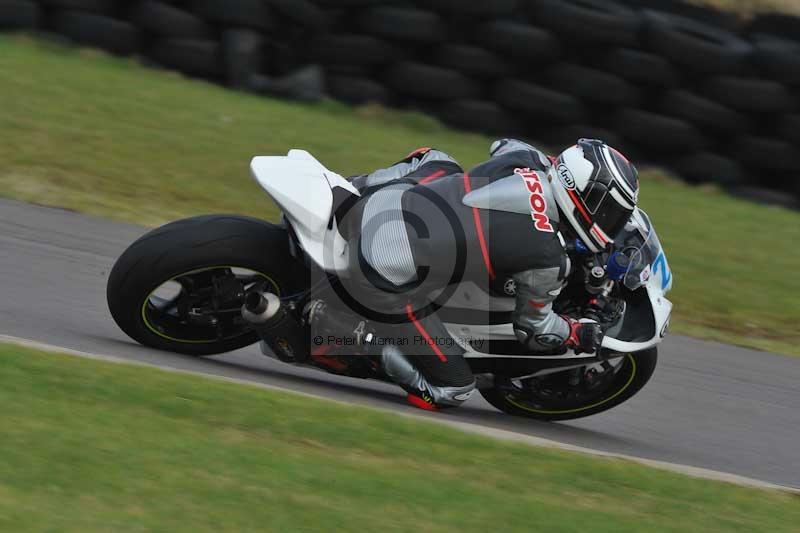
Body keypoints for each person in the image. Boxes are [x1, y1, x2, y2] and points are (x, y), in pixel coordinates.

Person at [316, 138, 639, 411]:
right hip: (383, 267)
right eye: (610, 212)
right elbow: (534, 329)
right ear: (583, 196)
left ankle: (354, 185)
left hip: (387, 201)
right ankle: (343, 337)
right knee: (451, 389)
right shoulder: (546, 258)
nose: (613, 222)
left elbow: (501, 144)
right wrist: (576, 333)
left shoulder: (526, 158)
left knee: (438, 159)